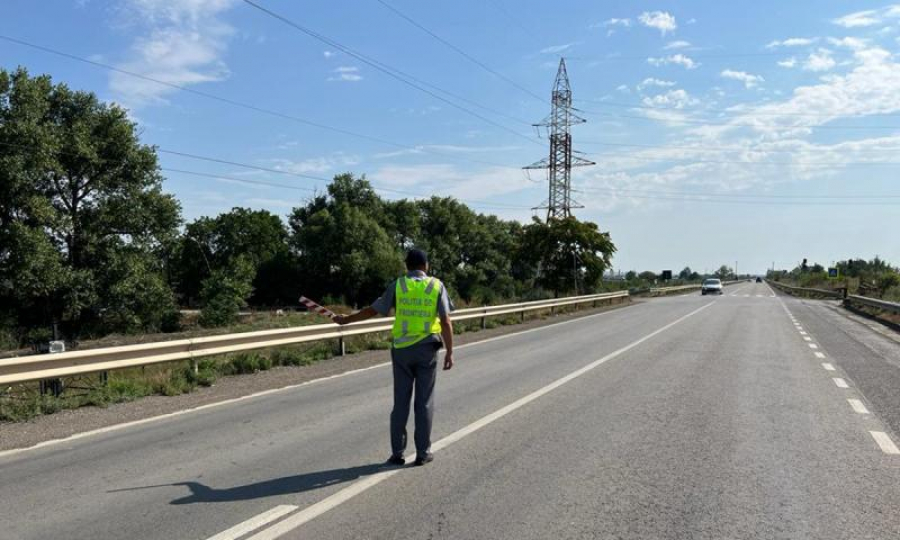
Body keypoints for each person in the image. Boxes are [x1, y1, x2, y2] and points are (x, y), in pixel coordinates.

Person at [333, 249, 454, 466]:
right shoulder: (436, 285)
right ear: (426, 265)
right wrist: (450, 352)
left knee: (400, 402)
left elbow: (373, 310)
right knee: (424, 402)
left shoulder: (399, 285)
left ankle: (397, 453)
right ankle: (422, 453)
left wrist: (347, 320)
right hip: (427, 348)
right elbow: (445, 321)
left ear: (406, 266)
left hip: (401, 350)